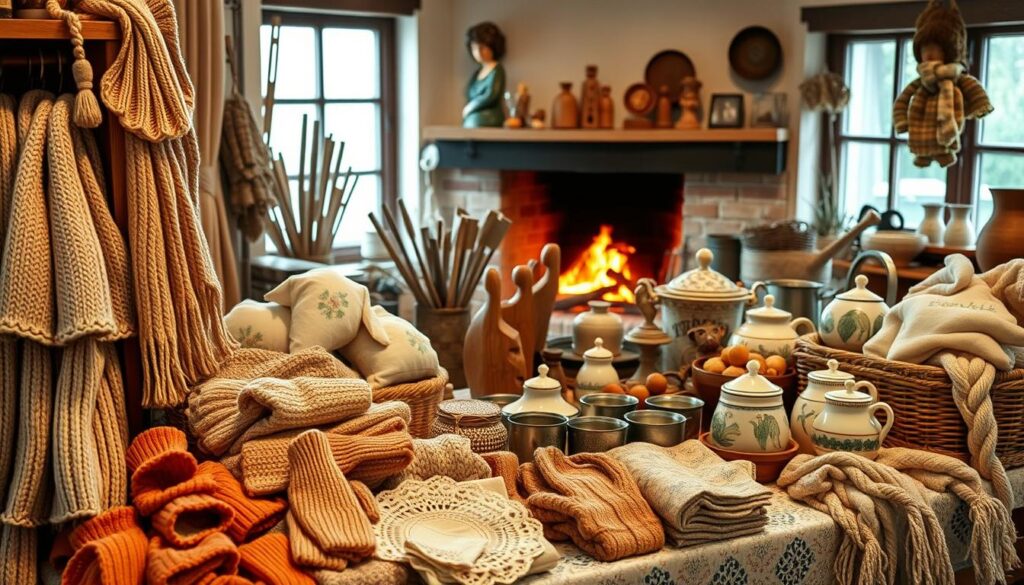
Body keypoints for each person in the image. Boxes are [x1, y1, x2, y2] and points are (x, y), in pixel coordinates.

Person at [463, 22, 506, 128]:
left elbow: (492, 95)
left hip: (490, 121)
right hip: (471, 123)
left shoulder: (497, 70)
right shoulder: (477, 73)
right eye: (474, 48)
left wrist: (471, 107)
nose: (478, 52)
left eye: (482, 48)